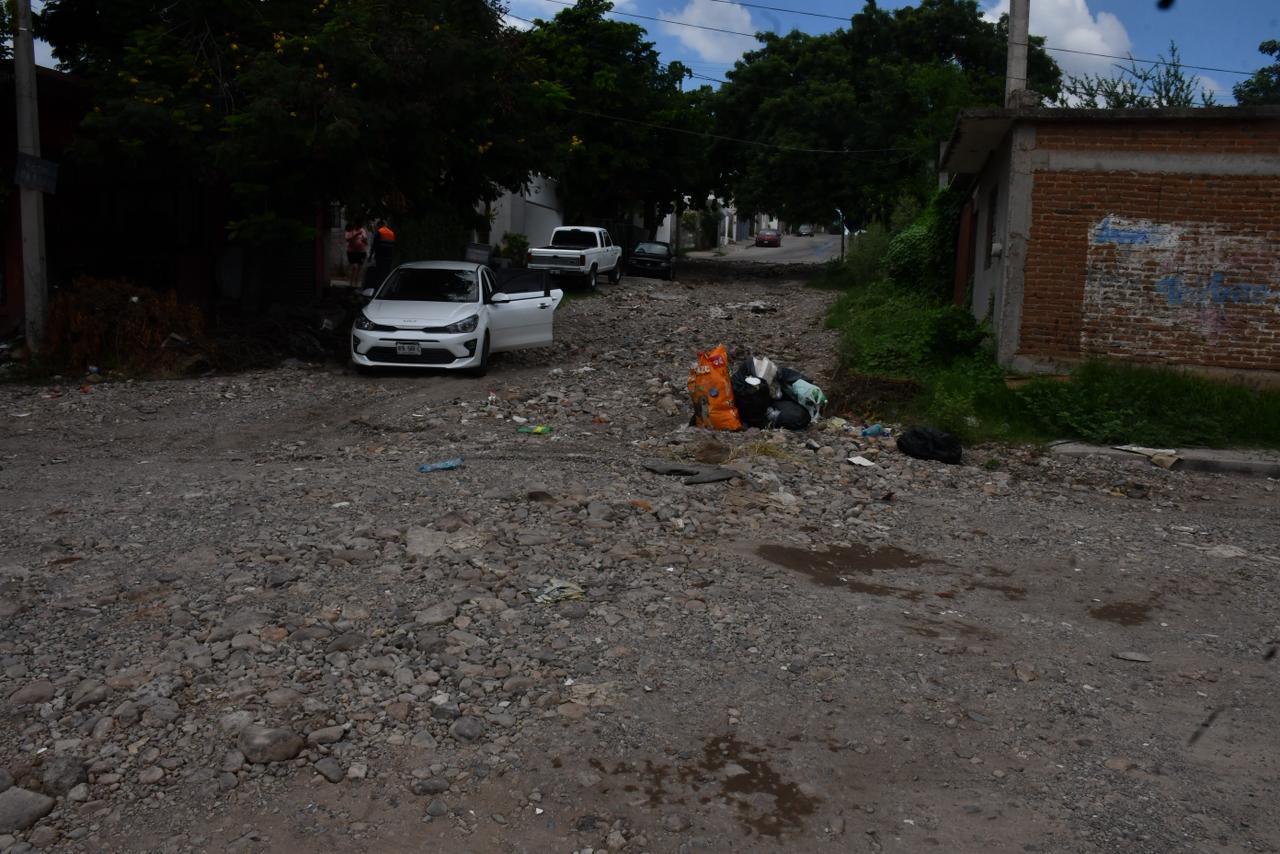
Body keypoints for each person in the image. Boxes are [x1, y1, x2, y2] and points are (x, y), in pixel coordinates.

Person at [369, 219, 397, 288]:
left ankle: (378, 287)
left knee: (379, 273)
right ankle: (386, 286)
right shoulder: (391, 233)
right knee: (386, 273)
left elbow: (374, 245)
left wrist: (370, 256)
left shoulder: (379, 232)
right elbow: (393, 246)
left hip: (380, 256)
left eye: (377, 226)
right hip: (389, 257)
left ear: (379, 225)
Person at [344, 221, 369, 288]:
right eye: (357, 225)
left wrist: (365, 240)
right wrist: (356, 235)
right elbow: (347, 239)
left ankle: (356, 284)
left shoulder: (362, 230)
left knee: (359, 268)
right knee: (354, 267)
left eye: (360, 225)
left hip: (361, 252)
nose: (358, 227)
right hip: (352, 252)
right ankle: (351, 283)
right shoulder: (350, 230)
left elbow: (366, 242)